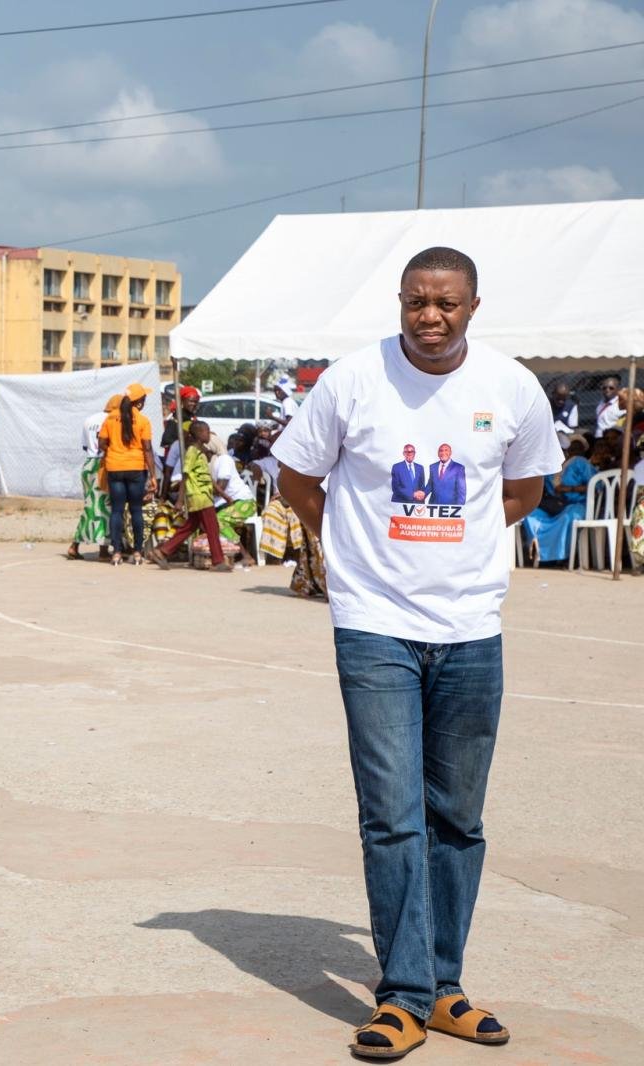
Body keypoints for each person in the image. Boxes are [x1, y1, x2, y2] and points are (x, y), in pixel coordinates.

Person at [271, 246, 561, 1059]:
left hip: (472, 627)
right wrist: (344, 549)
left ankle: (444, 986)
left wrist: (461, 553)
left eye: (446, 303)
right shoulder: (353, 381)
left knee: (458, 820)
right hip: (373, 625)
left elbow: (524, 490)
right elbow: (296, 473)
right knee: (393, 815)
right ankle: (401, 996)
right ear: (400, 303)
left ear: (473, 306)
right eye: (415, 302)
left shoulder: (511, 387)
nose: (429, 317)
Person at [144, 421, 231, 572]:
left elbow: (207, 477)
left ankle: (162, 551)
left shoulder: (200, 452)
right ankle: (218, 561)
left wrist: (224, 495)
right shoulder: (191, 452)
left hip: (204, 494)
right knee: (212, 527)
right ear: (197, 434)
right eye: (205, 431)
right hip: (199, 496)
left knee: (190, 526)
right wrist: (179, 500)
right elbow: (185, 476)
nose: (208, 434)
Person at [99, 383, 160, 563]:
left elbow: (102, 443)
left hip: (115, 468)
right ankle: (137, 552)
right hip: (136, 469)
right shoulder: (143, 421)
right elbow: (147, 448)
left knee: (116, 511)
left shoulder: (110, 418)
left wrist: (114, 451)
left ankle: (116, 552)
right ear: (139, 402)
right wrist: (153, 475)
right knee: (136, 511)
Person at [520, 439, 597, 565]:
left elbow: (596, 485)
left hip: (576, 504)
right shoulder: (549, 466)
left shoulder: (580, 462)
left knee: (568, 517)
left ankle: (562, 558)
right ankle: (542, 557)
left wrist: (569, 489)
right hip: (554, 506)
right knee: (531, 515)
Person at [67, 398, 111, 561]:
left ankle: (74, 545)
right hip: (103, 465)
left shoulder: (90, 420)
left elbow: (85, 446)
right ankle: (103, 550)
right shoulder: (113, 420)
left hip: (88, 464)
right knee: (105, 507)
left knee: (90, 507)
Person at [209, 438, 257, 552]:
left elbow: (221, 487)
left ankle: (245, 555)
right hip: (227, 504)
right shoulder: (210, 463)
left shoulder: (224, 460)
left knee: (219, 520)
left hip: (244, 502)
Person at [549, 383, 580, 449]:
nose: (561, 401)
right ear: (553, 394)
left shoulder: (571, 406)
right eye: (558, 398)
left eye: (563, 399)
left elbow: (572, 426)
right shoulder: (547, 404)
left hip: (565, 435)